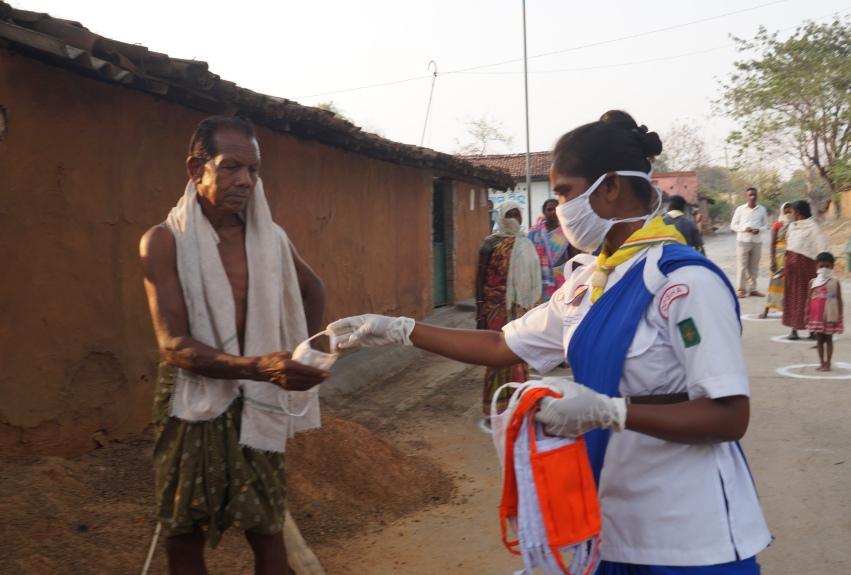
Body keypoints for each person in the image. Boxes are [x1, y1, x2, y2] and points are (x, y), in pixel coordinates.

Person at [329, 110, 770, 574]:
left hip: (689, 531)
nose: (559, 208)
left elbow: (729, 416)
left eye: (564, 192)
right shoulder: (590, 281)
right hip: (613, 521)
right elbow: (503, 345)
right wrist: (400, 329)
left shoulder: (682, 283)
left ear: (611, 186)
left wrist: (612, 412)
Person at [139, 116, 328, 575]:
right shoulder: (164, 242)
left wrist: (303, 357)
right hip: (192, 402)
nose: (244, 180)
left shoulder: (270, 239)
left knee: (266, 526)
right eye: (229, 167)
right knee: (184, 530)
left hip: (258, 397)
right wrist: (259, 366)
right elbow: (174, 345)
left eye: (253, 170)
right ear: (195, 168)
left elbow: (313, 290)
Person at [475, 200, 541, 419]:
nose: (514, 219)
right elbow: (480, 277)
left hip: (519, 309)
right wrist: (480, 309)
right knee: (497, 352)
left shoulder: (526, 243)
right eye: (509, 214)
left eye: (517, 214)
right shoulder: (490, 243)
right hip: (495, 306)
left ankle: (518, 399)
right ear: (501, 217)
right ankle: (497, 403)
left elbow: (532, 280)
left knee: (518, 350)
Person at [783, 200, 829, 340]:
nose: (791, 214)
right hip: (791, 269)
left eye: (792, 212)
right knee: (792, 298)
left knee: (807, 297)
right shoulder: (792, 227)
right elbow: (789, 244)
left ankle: (812, 330)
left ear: (799, 213)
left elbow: (821, 246)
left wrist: (824, 268)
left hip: (806, 268)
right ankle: (794, 329)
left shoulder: (813, 227)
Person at [527, 198, 576, 300]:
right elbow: (529, 257)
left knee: (560, 306)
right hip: (542, 278)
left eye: (556, 209)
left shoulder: (566, 230)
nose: (553, 212)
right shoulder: (535, 232)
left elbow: (573, 257)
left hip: (562, 276)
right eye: (550, 209)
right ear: (544, 212)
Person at [807, 252, 843, 370]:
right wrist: (806, 314)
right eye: (821, 266)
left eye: (827, 266)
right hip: (816, 317)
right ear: (816, 266)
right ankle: (822, 362)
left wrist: (840, 315)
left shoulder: (835, 282)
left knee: (829, 339)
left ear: (832, 266)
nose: (824, 269)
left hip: (830, 316)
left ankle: (828, 363)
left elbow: (839, 299)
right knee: (819, 340)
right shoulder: (813, 282)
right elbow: (809, 299)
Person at [730, 187, 768, 298]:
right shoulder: (740, 209)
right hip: (743, 241)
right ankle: (741, 290)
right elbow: (733, 225)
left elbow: (766, 225)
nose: (752, 197)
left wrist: (759, 230)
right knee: (742, 266)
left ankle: (753, 289)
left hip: (757, 241)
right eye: (750, 195)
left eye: (754, 195)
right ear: (746, 196)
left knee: (754, 267)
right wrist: (744, 229)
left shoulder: (762, 209)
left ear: (757, 196)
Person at [758, 202, 793, 318]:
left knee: (789, 284)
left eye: (790, 209)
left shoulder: (795, 224)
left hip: (791, 256)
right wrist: (772, 260)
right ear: (782, 210)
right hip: (779, 258)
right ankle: (766, 310)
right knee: (775, 282)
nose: (788, 211)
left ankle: (787, 310)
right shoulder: (777, 225)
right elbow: (772, 243)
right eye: (786, 209)